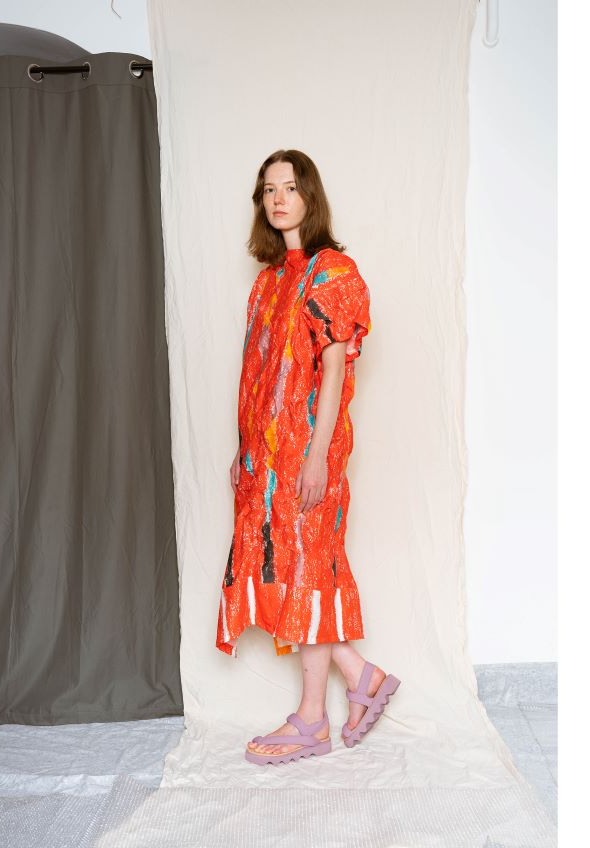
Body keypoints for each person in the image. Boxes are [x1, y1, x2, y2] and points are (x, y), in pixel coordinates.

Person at [216, 149, 400, 765]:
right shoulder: (269, 283)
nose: (277, 198)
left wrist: (317, 455)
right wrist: (248, 458)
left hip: (310, 453)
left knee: (312, 572)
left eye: (289, 187)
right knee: (295, 575)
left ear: (309, 196)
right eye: (268, 189)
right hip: (267, 464)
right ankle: (356, 682)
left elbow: (330, 373)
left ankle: (314, 718)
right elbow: (257, 378)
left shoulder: (334, 273)